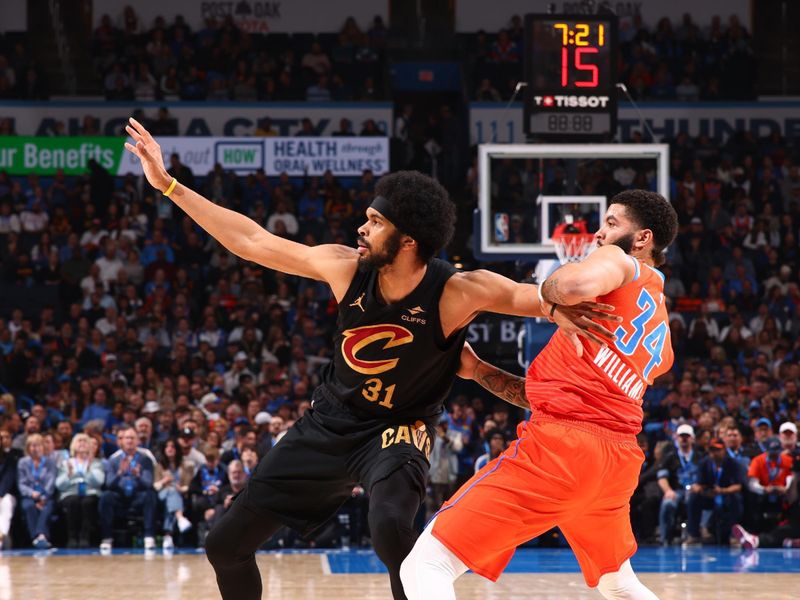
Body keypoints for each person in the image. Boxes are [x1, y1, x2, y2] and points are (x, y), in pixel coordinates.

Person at [123, 117, 616, 600]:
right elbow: (253, 242)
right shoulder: (344, 267)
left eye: (375, 223)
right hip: (329, 423)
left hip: (397, 431)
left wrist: (557, 304)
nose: (361, 228)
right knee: (224, 544)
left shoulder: (456, 290)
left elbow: (529, 296)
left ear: (408, 241)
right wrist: (168, 185)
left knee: (391, 532)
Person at [401, 189, 679, 600]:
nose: (600, 235)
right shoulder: (659, 320)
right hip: (615, 461)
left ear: (642, 240)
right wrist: (479, 370)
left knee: (426, 564)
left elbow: (572, 285)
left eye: (612, 223)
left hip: (563, 451)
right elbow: (570, 400)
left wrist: (552, 291)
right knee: (619, 583)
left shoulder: (620, 262)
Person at [98, 425, 157, 552]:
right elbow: (109, 483)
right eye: (126, 438)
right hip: (119, 496)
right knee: (106, 497)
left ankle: (149, 536)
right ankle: (107, 537)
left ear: (137, 441)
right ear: (121, 441)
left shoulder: (145, 459)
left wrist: (138, 475)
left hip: (137, 496)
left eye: (132, 438)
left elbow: (148, 483)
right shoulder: (114, 460)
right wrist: (119, 473)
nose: (129, 441)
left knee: (150, 495)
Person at [684, 437, 744, 546]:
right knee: (693, 498)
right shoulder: (704, 463)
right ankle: (693, 535)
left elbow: (738, 486)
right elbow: (699, 483)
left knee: (736, 499)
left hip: (726, 495)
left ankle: (734, 535)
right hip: (710, 495)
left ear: (724, 450)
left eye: (717, 450)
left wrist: (722, 490)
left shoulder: (733, 463)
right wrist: (699, 488)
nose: (714, 453)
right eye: (712, 450)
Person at [55, 433, 105, 548]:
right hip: (71, 493)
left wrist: (87, 472)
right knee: (73, 501)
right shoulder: (66, 464)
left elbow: (99, 481)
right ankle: (72, 537)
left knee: (87, 502)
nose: (82, 443)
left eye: (84, 441)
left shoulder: (96, 463)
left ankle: (84, 537)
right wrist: (69, 475)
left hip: (90, 493)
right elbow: (59, 485)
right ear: (73, 445)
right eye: (79, 441)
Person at [657, 423, 703, 545]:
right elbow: (662, 477)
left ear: (692, 438)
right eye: (681, 436)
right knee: (668, 503)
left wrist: (700, 486)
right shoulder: (670, 456)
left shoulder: (700, 456)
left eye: (686, 436)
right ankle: (665, 538)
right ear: (676, 438)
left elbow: (706, 476)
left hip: (695, 491)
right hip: (676, 491)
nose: (684, 439)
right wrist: (668, 491)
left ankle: (695, 535)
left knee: (694, 500)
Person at [17, 433, 57, 549]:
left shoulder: (50, 462)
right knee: (29, 507)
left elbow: (51, 482)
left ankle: (40, 536)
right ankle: (39, 537)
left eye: (38, 446)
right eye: (33, 446)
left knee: (47, 507)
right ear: (28, 448)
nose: (35, 449)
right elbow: (21, 483)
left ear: (43, 447)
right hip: (29, 495)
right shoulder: (22, 462)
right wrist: (32, 494)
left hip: (46, 496)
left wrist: (43, 497)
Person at [152, 438, 194, 550]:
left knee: (172, 498)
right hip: (162, 494)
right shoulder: (159, 465)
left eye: (172, 446)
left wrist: (181, 489)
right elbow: (155, 486)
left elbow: (188, 485)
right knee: (171, 492)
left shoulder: (185, 465)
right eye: (167, 446)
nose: (170, 449)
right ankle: (180, 517)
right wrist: (164, 481)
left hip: (179, 495)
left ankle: (168, 536)